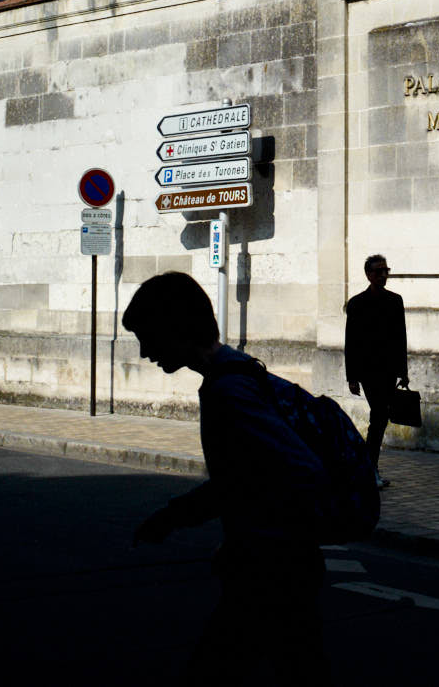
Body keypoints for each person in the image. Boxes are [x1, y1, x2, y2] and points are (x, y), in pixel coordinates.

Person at [125, 271, 329, 686]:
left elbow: (296, 469)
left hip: (271, 572)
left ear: (176, 329)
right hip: (280, 565)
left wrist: (182, 517)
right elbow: (250, 475)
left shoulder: (228, 390)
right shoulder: (236, 375)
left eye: (148, 336)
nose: (145, 352)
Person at [344, 253, 409, 489]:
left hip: (388, 371)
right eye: (378, 271)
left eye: (386, 270)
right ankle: (369, 469)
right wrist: (352, 377)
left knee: (380, 419)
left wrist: (403, 370)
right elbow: (351, 342)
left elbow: (400, 337)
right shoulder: (356, 303)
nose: (383, 275)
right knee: (379, 417)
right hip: (368, 372)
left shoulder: (395, 300)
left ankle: (369, 468)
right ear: (368, 275)